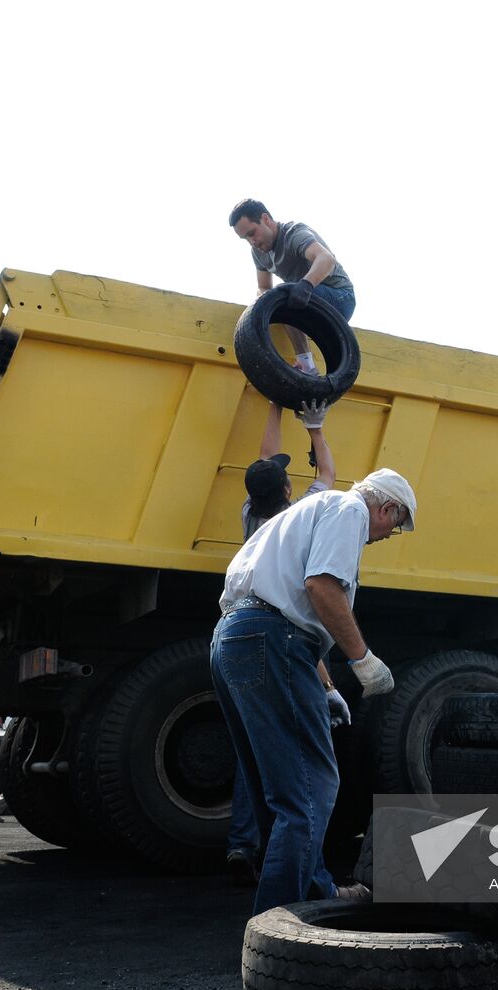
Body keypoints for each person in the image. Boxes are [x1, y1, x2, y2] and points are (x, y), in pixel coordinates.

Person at [212, 468, 415, 914]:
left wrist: (325, 685)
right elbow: (320, 587)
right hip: (271, 639)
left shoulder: (308, 510)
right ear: (386, 508)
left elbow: (292, 608)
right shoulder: (349, 511)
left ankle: (312, 891)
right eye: (394, 525)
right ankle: (285, 923)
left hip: (237, 636)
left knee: (278, 789)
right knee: (311, 788)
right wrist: (362, 659)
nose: (387, 534)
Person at [227, 395, 341, 886]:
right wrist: (315, 427)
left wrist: (274, 404)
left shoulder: (252, 516)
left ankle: (240, 842)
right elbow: (331, 479)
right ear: (289, 488)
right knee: (298, 768)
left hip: (235, 628)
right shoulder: (299, 523)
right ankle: (301, 878)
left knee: (253, 746)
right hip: (274, 635)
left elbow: (265, 460)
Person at [229, 199, 356, 374]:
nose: (252, 241)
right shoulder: (258, 253)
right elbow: (264, 286)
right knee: (276, 299)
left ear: (265, 219)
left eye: (252, 233)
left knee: (285, 293)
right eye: (245, 238)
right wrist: (265, 305)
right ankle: (306, 365)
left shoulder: (294, 234)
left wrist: (306, 285)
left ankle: (307, 366)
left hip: (339, 297)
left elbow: (326, 259)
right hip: (307, 300)